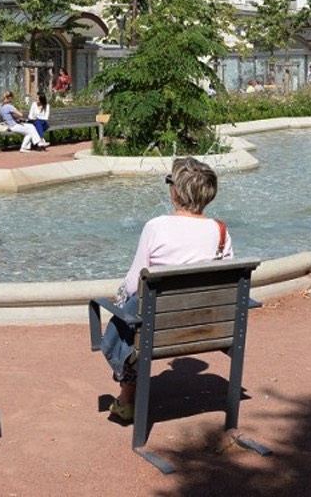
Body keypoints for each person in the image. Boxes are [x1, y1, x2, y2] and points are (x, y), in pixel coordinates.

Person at [99, 157, 233, 425]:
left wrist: (119, 298)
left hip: (159, 330)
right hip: (208, 326)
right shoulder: (220, 231)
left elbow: (132, 282)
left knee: (127, 318)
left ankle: (127, 397)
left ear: (176, 191)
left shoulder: (157, 226)